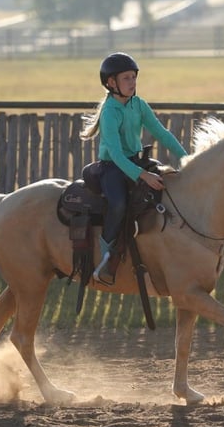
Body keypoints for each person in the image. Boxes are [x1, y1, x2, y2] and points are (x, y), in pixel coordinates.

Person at [80, 52, 188, 284]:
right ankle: (105, 256)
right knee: (118, 204)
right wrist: (143, 176)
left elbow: (161, 133)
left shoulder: (139, 104)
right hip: (112, 167)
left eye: (134, 77)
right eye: (126, 78)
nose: (132, 82)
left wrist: (186, 159)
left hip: (136, 161)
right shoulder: (109, 112)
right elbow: (117, 155)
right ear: (111, 83)